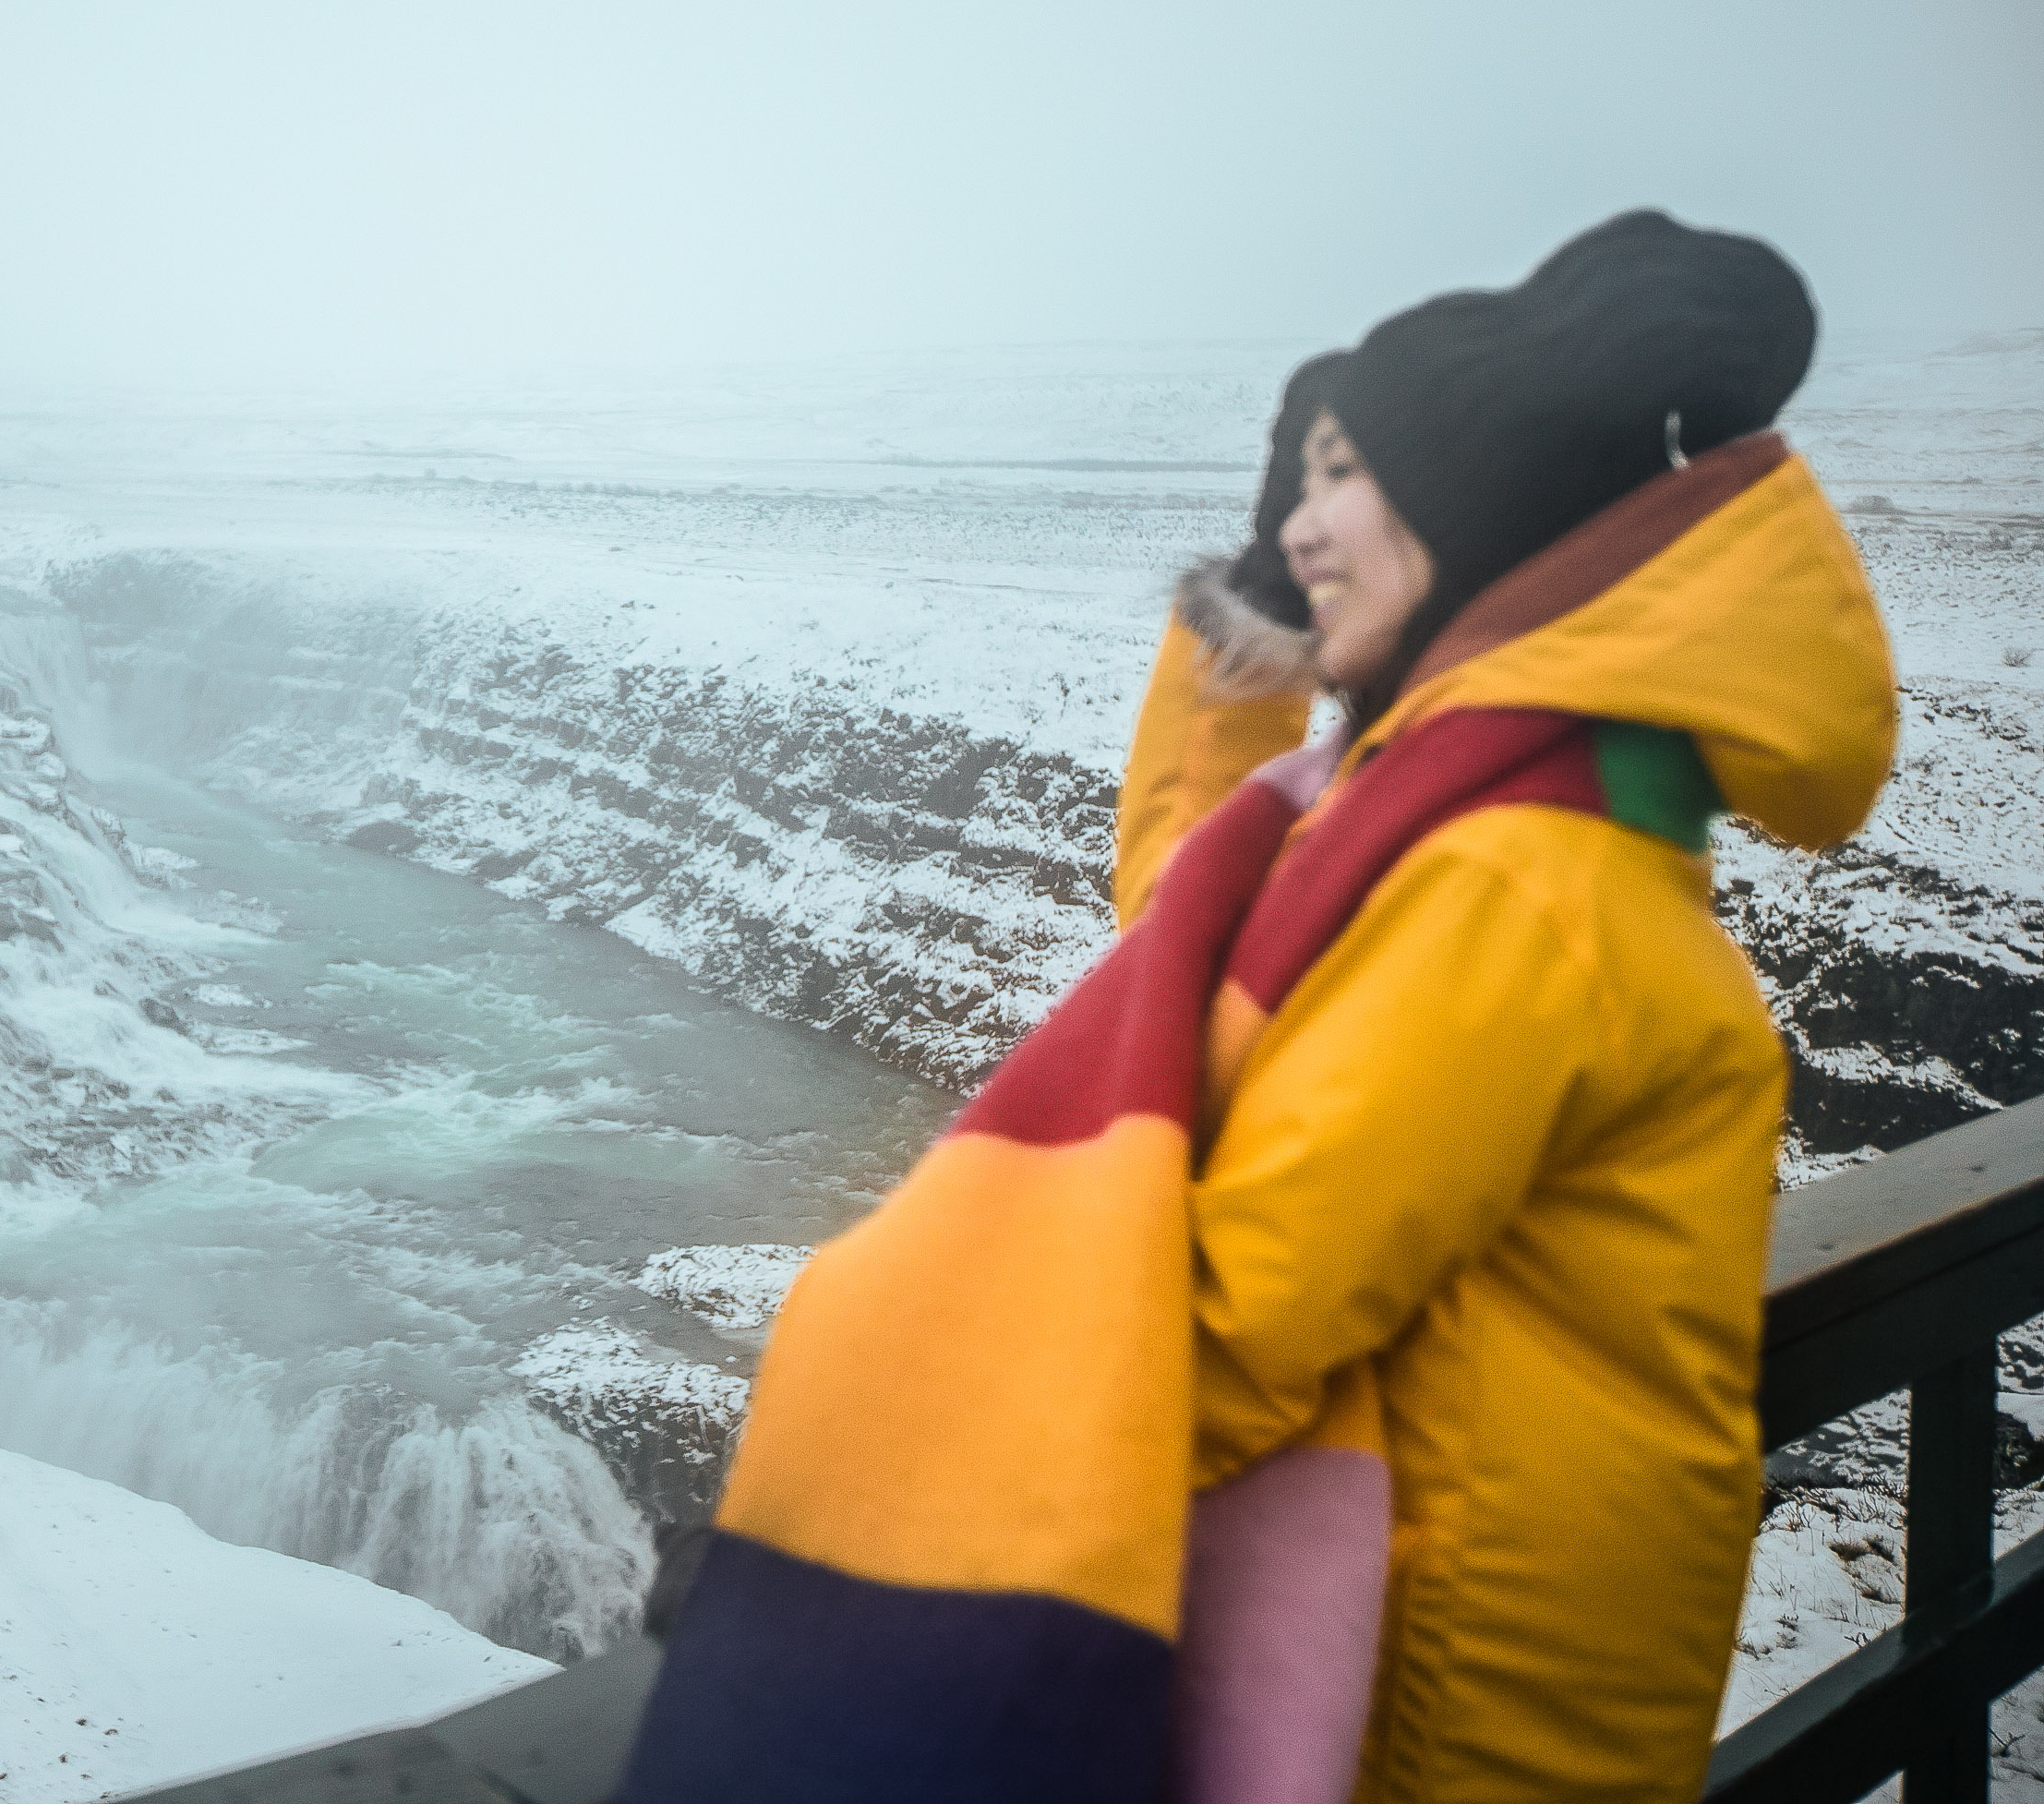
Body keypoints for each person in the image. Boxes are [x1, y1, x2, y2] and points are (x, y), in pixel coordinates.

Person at [621, 210, 1894, 1803]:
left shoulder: (1508, 882)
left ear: (1475, 502)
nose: (1302, 521)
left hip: (1450, 1701)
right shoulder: (1458, 813)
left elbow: (1229, 1320)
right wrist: (1261, 620)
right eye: (1301, 481)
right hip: (1429, 1624)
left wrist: (816, 1568)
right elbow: (1188, 939)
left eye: (1347, 474)